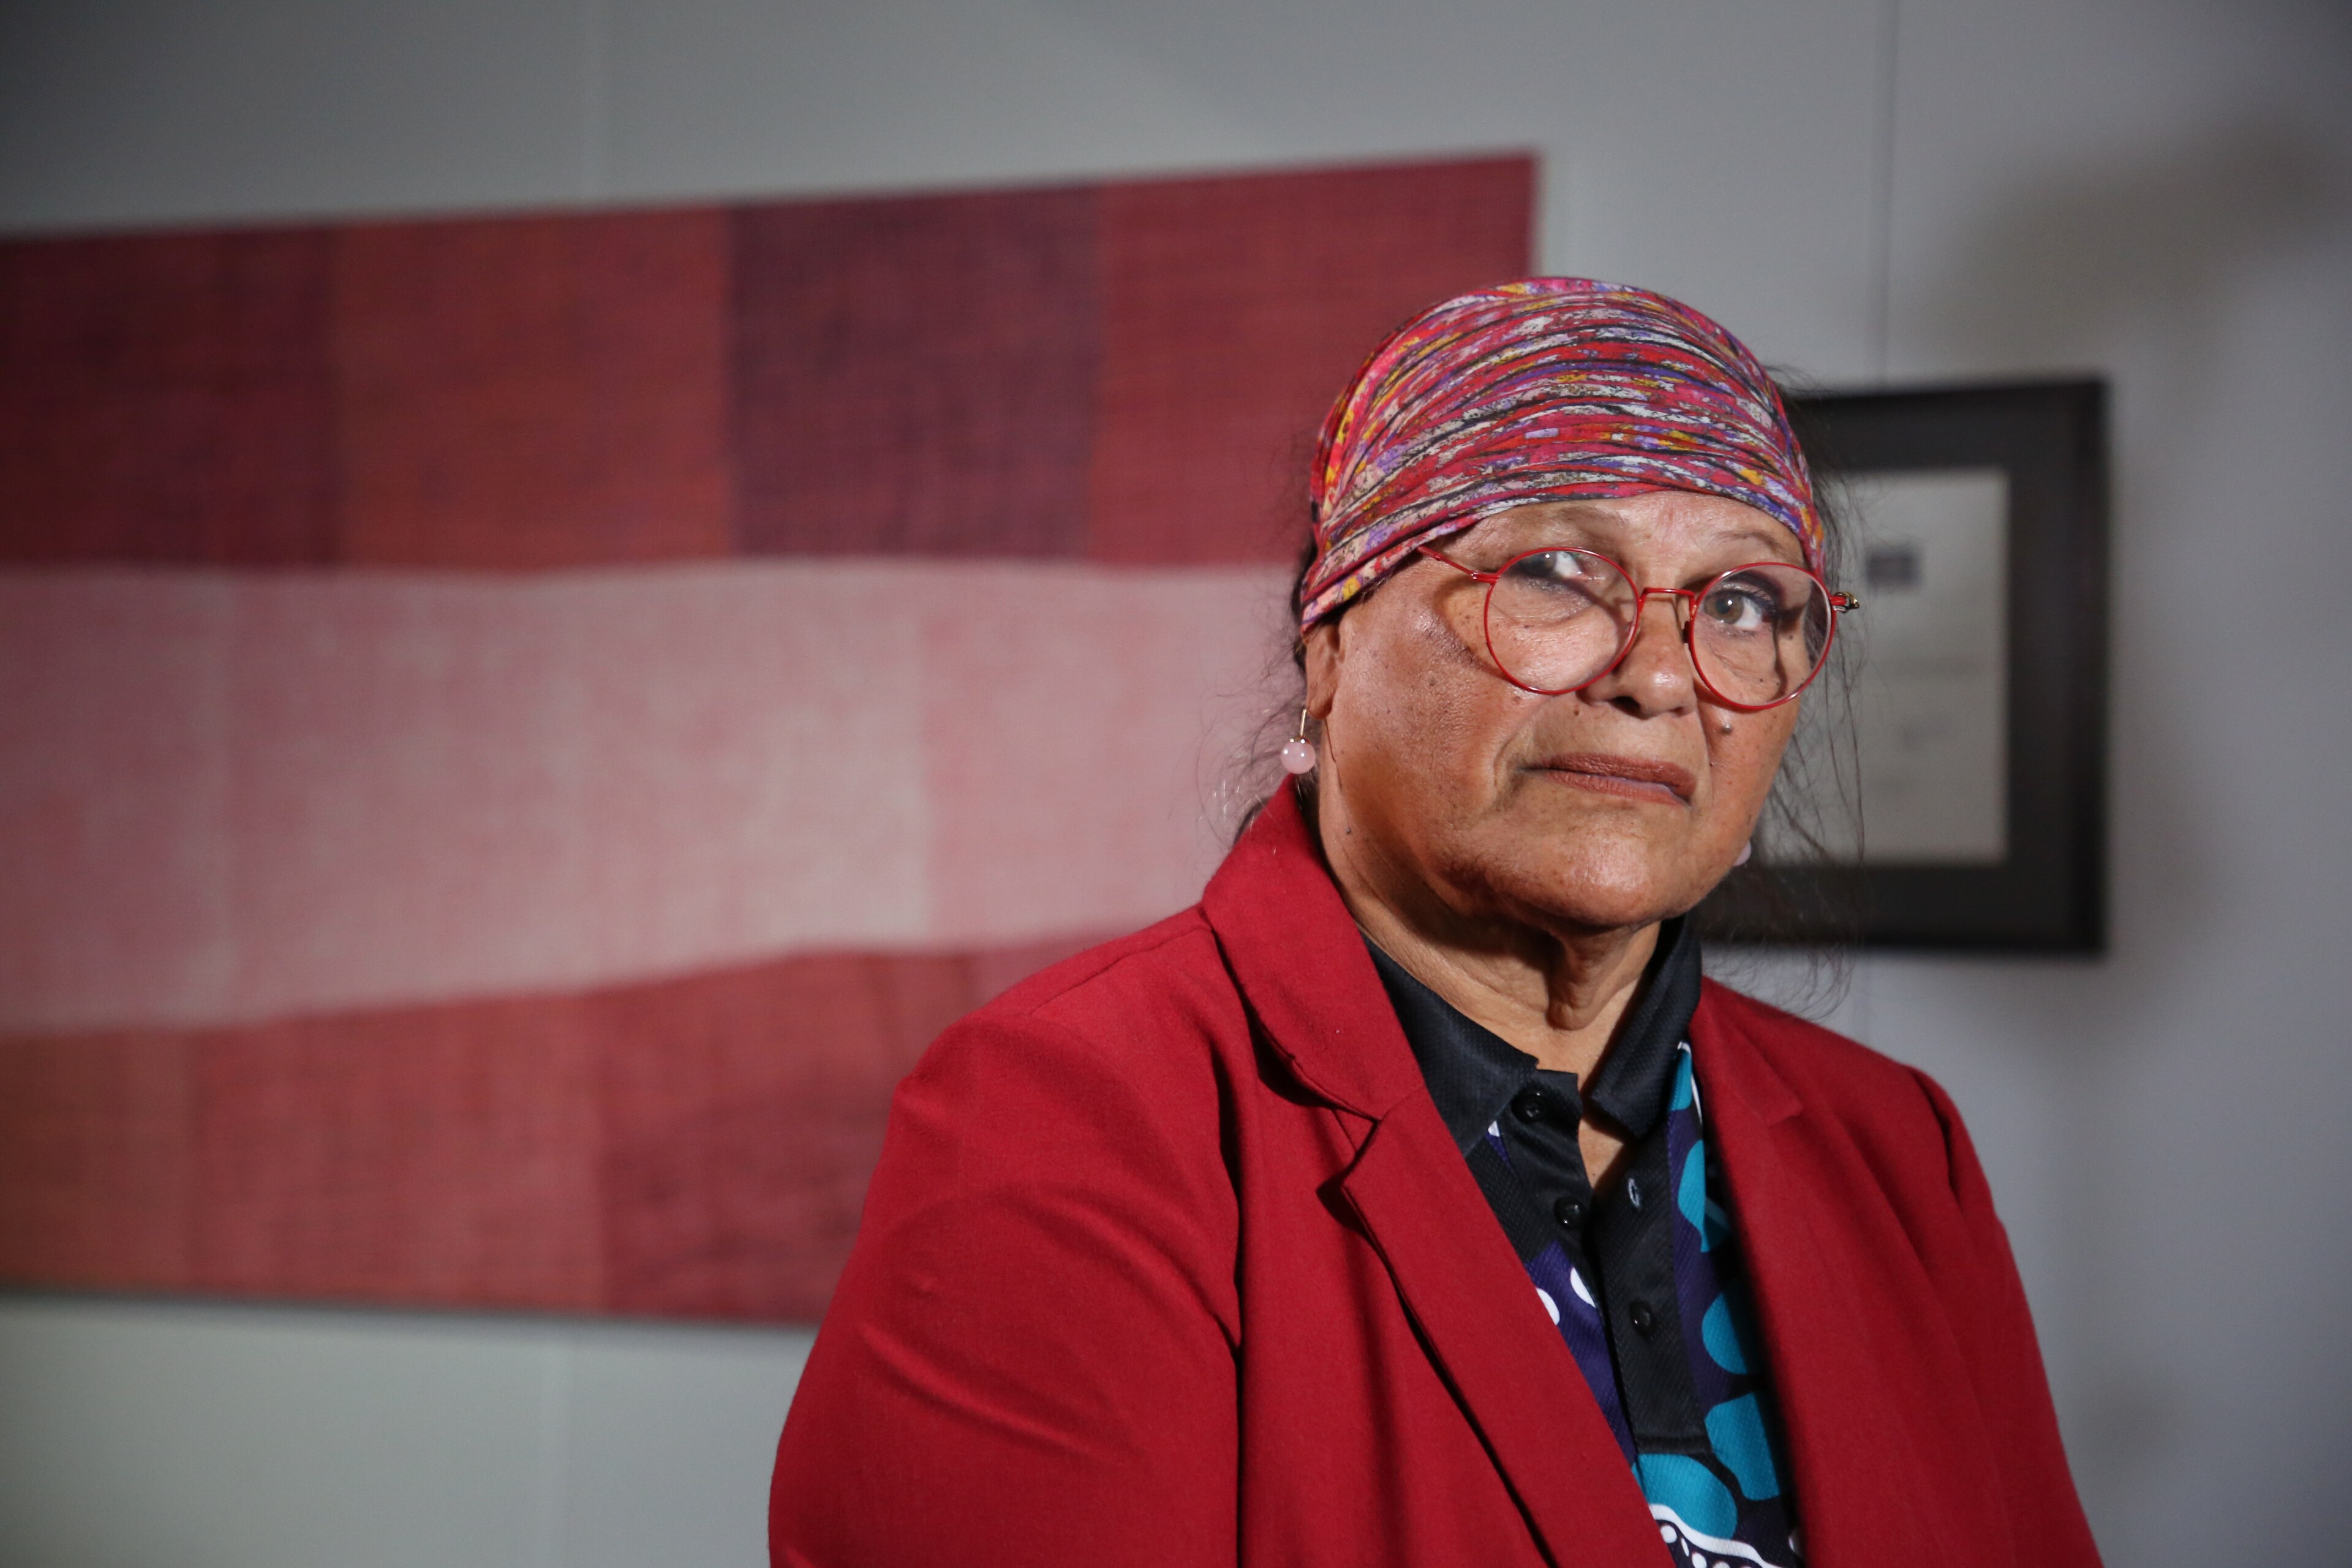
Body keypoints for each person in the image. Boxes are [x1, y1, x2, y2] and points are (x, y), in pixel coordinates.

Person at [769, 279, 2100, 1567]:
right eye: (1561, 574)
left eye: (1742, 602)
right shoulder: (1072, 1124)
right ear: (1332, 637)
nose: (1652, 673)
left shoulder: (1897, 1151)